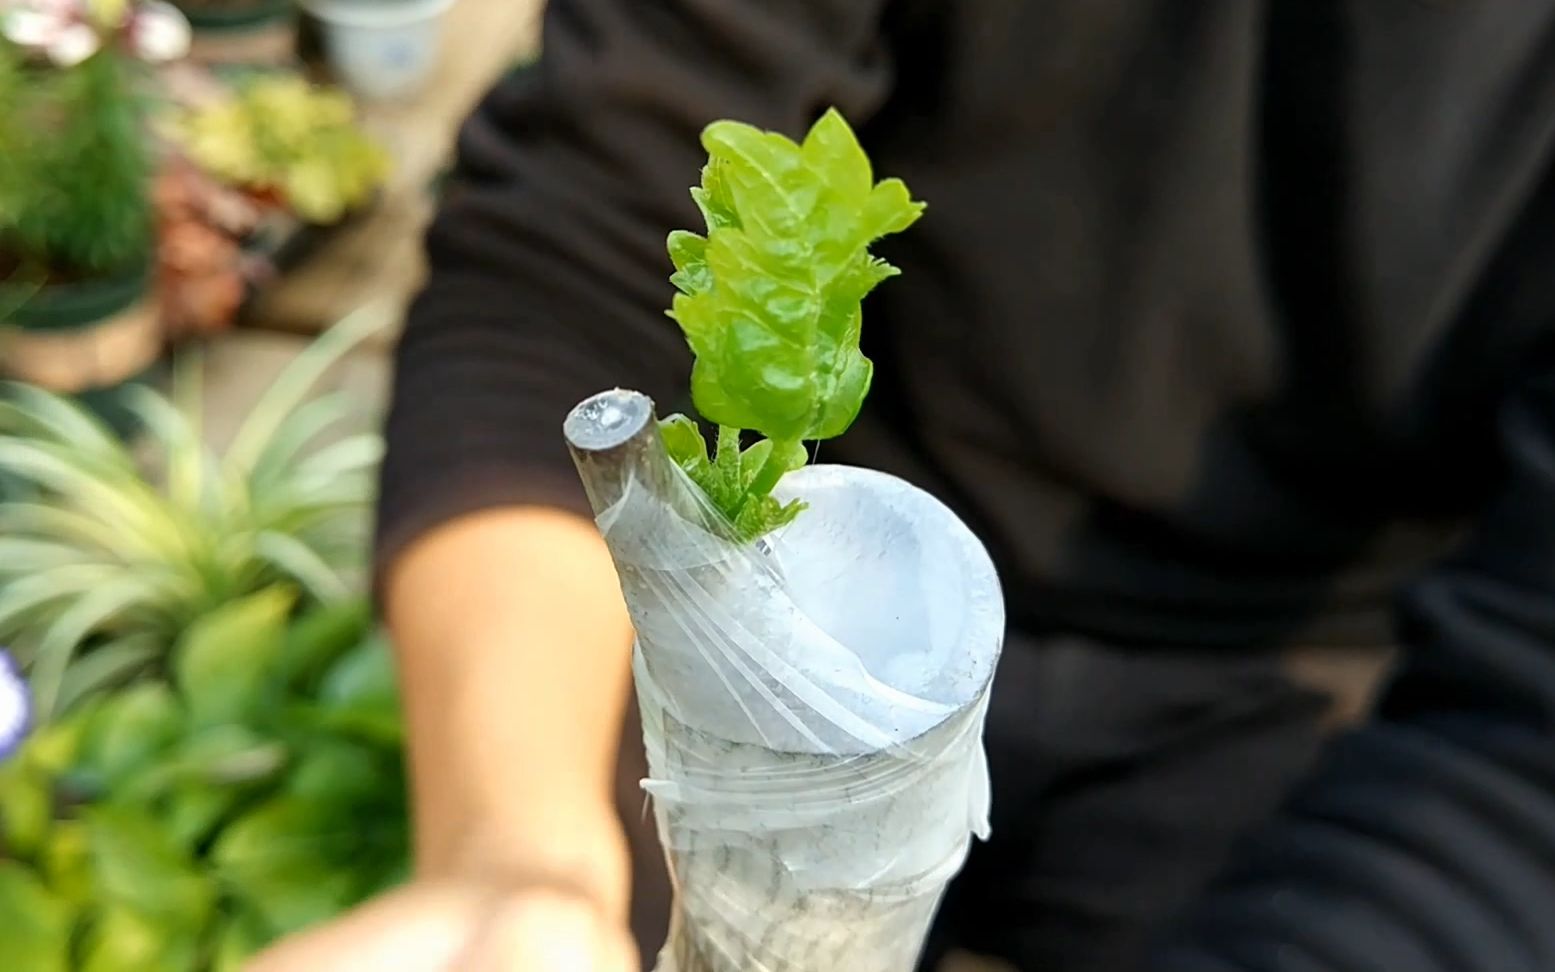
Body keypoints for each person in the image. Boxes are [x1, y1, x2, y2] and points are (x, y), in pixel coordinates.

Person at [251, 2, 1555, 970]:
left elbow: (1528, 729)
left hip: (1289, 682)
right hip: (802, 579)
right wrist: (517, 853)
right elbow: (579, 231)